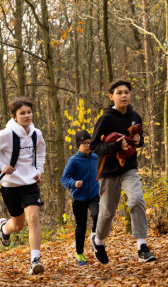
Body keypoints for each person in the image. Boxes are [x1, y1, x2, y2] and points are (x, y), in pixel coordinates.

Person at [90, 79, 157, 264]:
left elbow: (138, 140)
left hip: (129, 168)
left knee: (136, 200)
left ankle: (142, 247)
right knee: (107, 212)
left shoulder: (135, 115)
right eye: (119, 92)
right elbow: (95, 146)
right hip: (108, 171)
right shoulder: (105, 118)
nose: (124, 95)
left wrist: (139, 141)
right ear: (111, 96)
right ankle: (99, 241)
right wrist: (115, 145)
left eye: (126, 92)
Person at [0, 96, 46, 275]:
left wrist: (39, 171)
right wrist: (1, 166)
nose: (27, 116)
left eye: (29, 112)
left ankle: (35, 259)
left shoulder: (37, 134)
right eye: (22, 113)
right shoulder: (6, 134)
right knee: (18, 225)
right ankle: (5, 228)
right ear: (14, 116)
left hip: (30, 183)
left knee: (33, 218)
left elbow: (41, 153)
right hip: (10, 184)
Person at [60, 130, 100, 266]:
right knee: (81, 227)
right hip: (79, 197)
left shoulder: (96, 157)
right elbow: (64, 179)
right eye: (85, 143)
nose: (88, 146)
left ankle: (95, 238)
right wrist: (74, 183)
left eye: (90, 143)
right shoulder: (74, 160)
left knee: (98, 215)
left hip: (94, 194)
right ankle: (79, 253)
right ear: (78, 145)